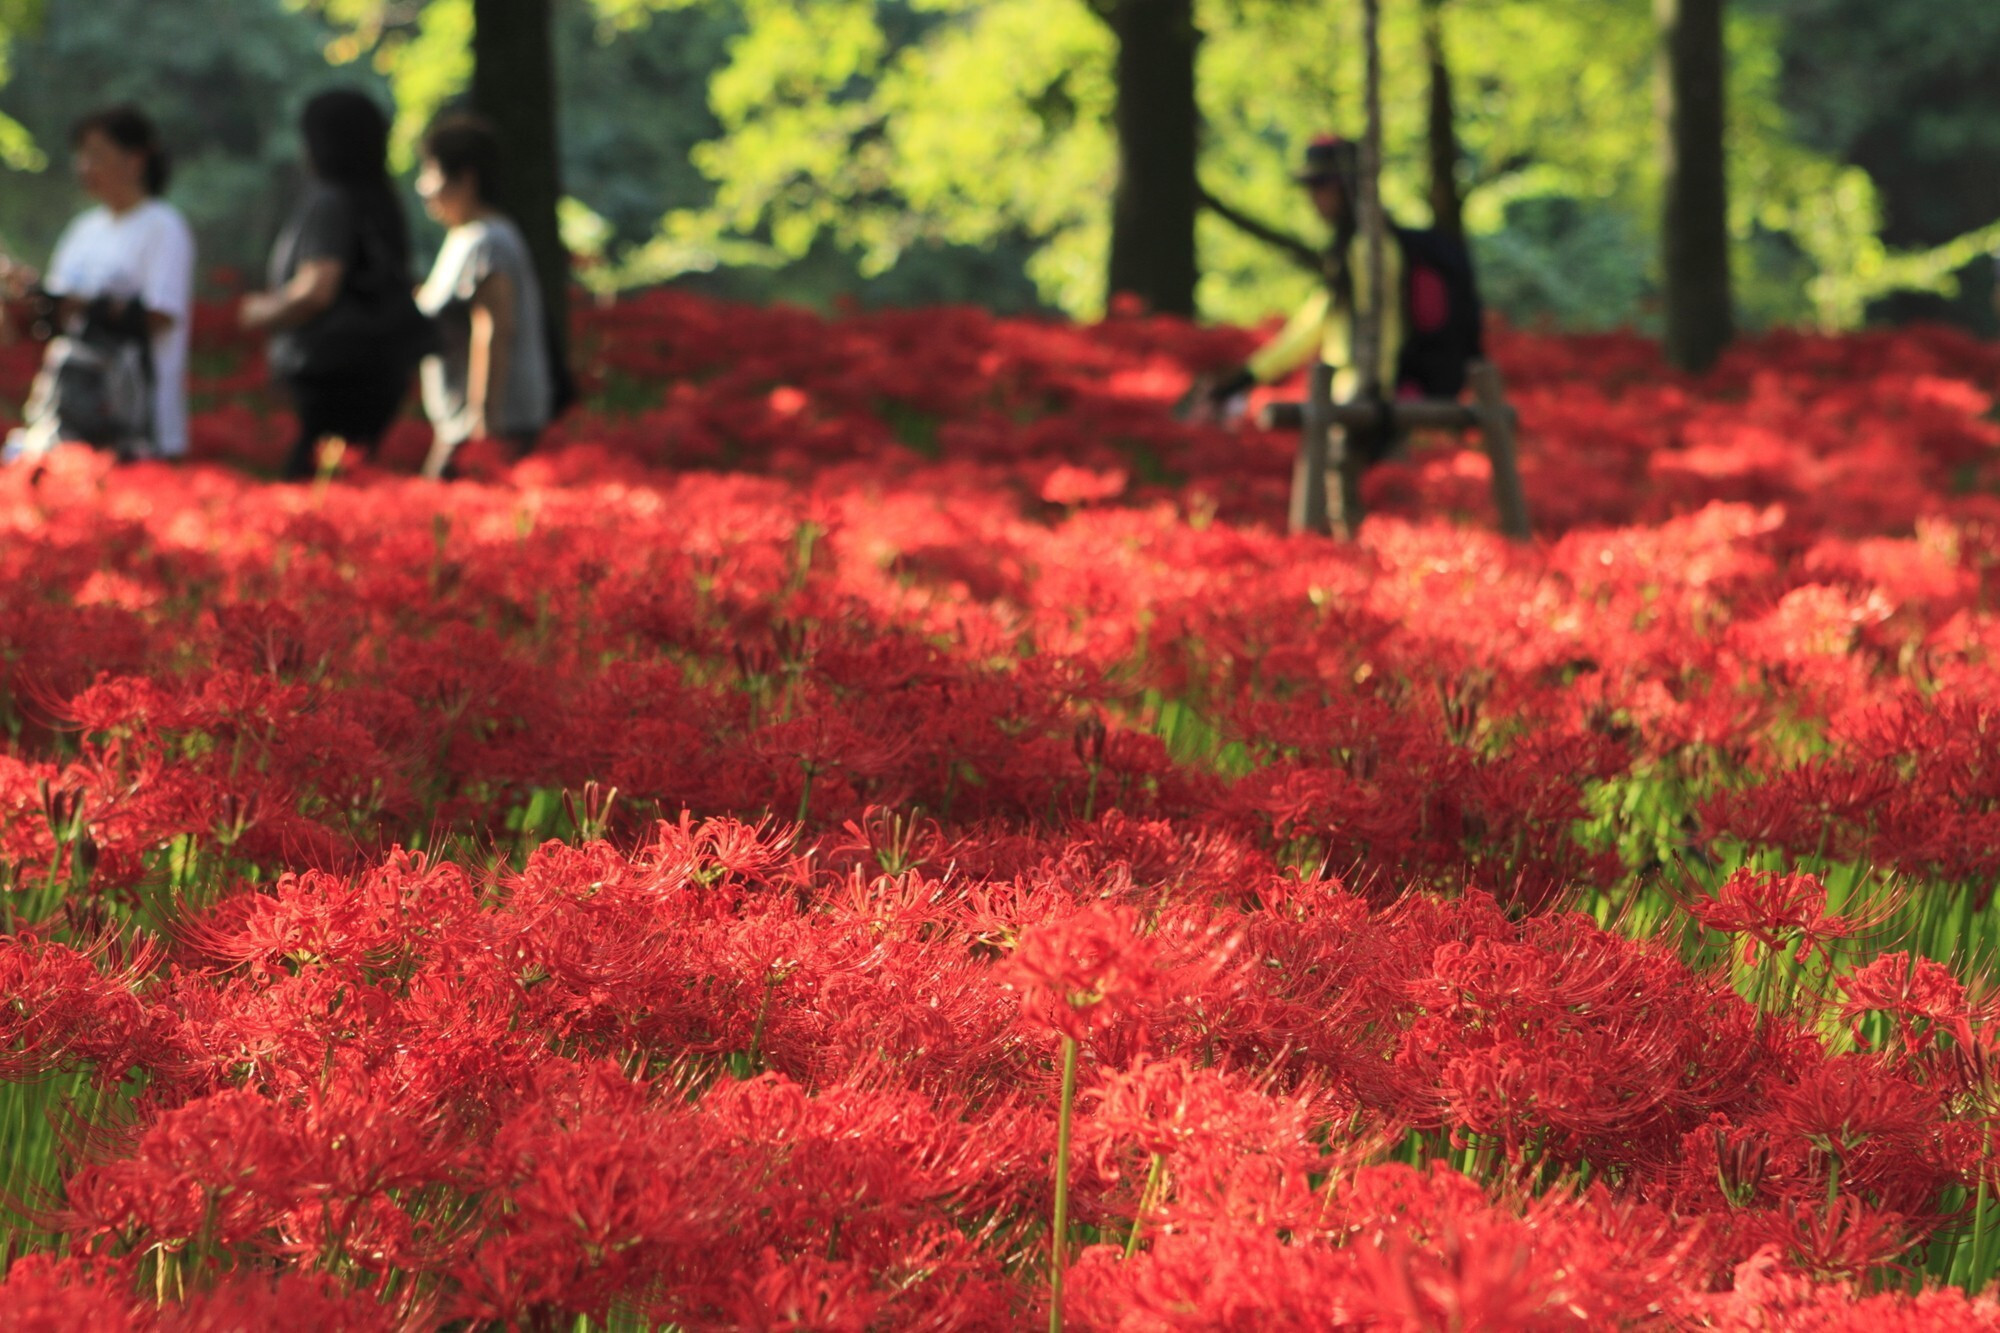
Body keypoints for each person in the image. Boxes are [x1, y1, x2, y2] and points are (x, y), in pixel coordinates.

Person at [1199, 135, 1483, 464]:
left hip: (1371, 398)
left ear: (1346, 188)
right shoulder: (1355, 248)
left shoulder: (1368, 251)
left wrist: (1373, 389)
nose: (1313, 198)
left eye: (1320, 185)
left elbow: (1373, 326)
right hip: (1364, 398)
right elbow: (1313, 324)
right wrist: (1245, 377)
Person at [241, 89, 429, 480]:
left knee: (314, 485)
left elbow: (317, 288)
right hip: (380, 368)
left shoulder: (330, 201)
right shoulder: (382, 201)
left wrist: (261, 312)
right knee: (353, 479)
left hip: (333, 374)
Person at [1, 106, 195, 462]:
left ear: (135, 161)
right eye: (81, 156)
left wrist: (88, 305)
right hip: (73, 416)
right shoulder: (83, 230)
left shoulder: (162, 227)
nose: (84, 167)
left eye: (96, 155)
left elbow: (161, 315)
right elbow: (58, 314)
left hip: (138, 425)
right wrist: (31, 294)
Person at [413, 113, 553, 480]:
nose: (423, 186)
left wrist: (483, 420)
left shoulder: (486, 240)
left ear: (466, 179)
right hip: (462, 422)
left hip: (486, 425)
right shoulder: (465, 237)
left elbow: (494, 329)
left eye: (431, 172)